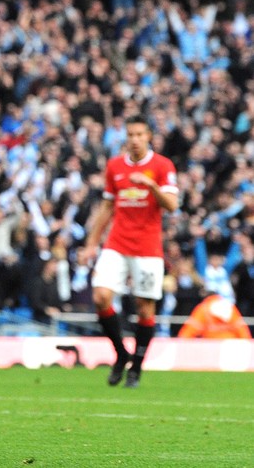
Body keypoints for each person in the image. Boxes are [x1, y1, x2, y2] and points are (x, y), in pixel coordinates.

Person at [85, 114, 178, 388]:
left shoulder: (162, 166)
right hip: (117, 243)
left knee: (144, 308)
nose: (135, 139)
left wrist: (151, 186)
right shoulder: (115, 166)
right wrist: (92, 242)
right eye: (131, 134)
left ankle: (136, 367)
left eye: (140, 134)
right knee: (101, 296)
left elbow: (172, 205)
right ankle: (120, 353)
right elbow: (107, 207)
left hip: (148, 248)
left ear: (149, 136)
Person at [177, 292, 252, 339]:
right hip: (230, 345)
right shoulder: (230, 307)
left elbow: (189, 330)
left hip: (211, 345)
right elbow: (242, 329)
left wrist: (181, 344)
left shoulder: (203, 308)